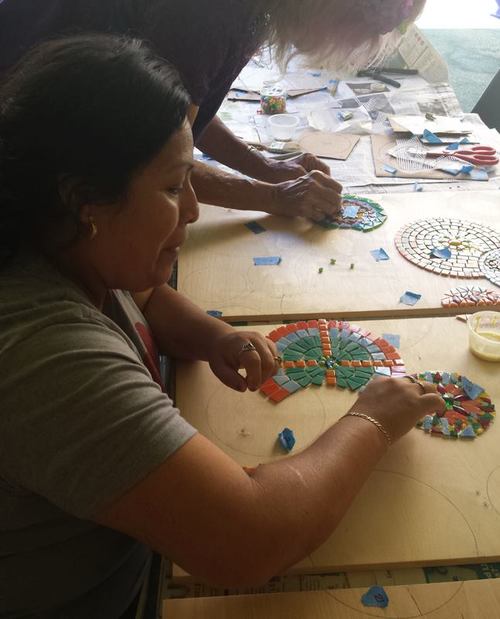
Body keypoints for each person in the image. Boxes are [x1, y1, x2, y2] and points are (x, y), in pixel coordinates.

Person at [0, 35, 443, 618]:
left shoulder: (50, 239)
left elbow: (146, 295)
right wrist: (373, 419)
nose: (192, 208)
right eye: (170, 185)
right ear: (86, 201)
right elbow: (251, 540)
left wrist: (213, 337)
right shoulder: (45, 355)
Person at [0, 0, 425, 223]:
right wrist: (274, 197)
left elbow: (183, 111)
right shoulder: (213, 11)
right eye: (368, 30)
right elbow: (152, 162)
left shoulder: (255, 11)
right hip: (25, 138)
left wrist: (265, 168)